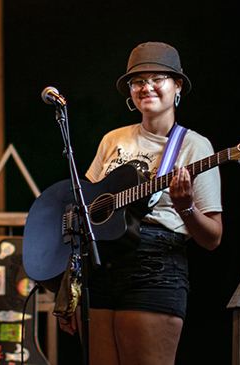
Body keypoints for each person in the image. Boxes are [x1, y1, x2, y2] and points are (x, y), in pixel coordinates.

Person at [58, 42, 223, 364]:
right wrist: (69, 291)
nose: (146, 87)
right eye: (137, 81)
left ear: (177, 85)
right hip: (100, 267)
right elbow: (84, 213)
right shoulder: (113, 139)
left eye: (157, 78)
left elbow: (212, 238)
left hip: (155, 269)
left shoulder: (195, 146)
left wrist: (186, 207)